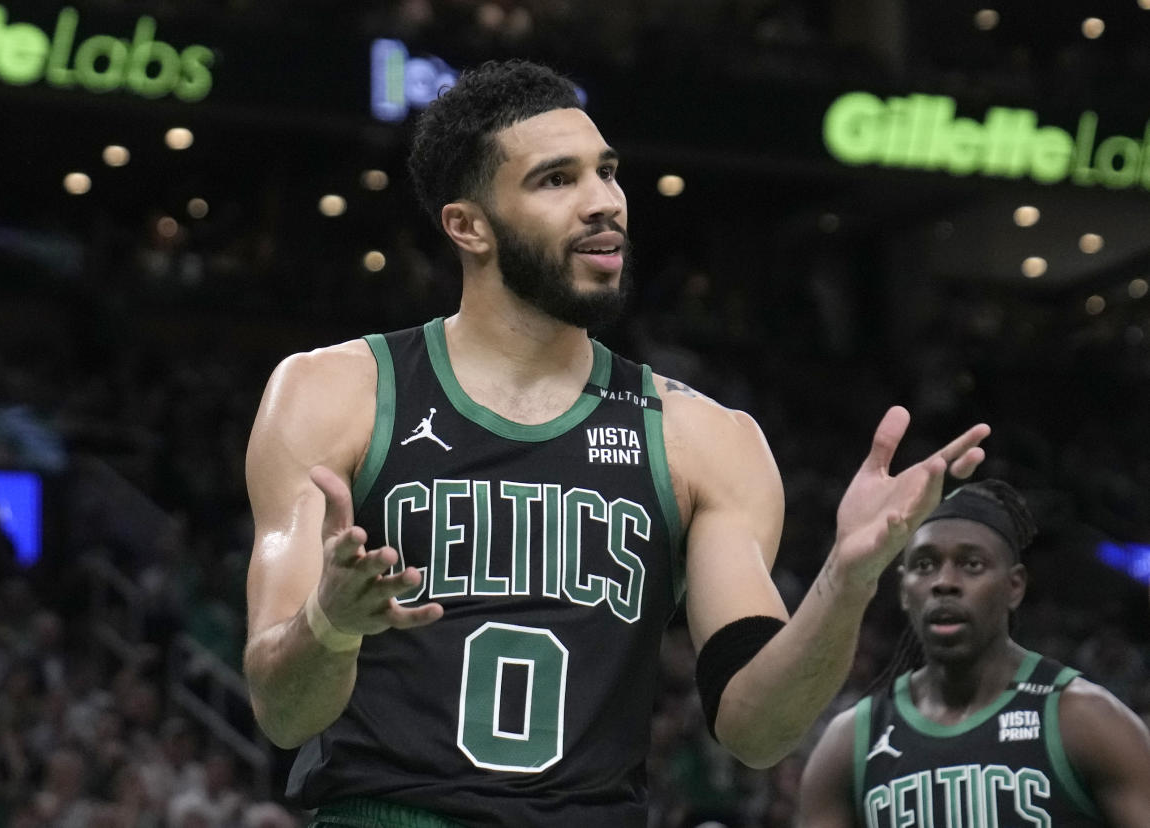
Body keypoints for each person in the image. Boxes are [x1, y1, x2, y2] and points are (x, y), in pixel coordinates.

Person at [241, 59, 990, 827]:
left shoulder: (705, 439)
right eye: (556, 180)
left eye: (608, 172)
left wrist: (847, 580)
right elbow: (281, 710)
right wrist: (329, 624)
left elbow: (756, 730)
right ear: (468, 226)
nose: (604, 203)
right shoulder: (333, 392)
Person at [797, 479, 1150, 826]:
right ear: (904, 590)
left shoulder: (1085, 719)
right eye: (924, 565)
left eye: (971, 565)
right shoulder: (850, 743)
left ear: (1014, 587)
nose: (944, 582)